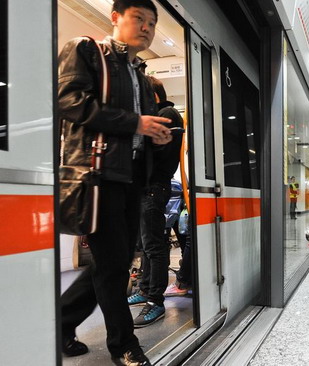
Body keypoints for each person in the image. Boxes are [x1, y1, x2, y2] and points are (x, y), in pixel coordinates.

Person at [58, 1, 171, 365]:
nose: (147, 27)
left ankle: (60, 323)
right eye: (139, 18)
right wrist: (137, 124)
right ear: (116, 18)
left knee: (113, 263)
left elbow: (138, 125)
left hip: (129, 179)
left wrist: (154, 135)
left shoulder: (137, 72)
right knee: (113, 267)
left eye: (152, 23)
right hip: (98, 176)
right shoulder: (87, 50)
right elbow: (71, 102)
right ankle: (124, 345)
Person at [127, 76, 184, 327]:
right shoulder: (158, 114)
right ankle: (145, 287)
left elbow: (153, 152)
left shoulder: (168, 113)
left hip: (154, 187)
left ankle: (155, 301)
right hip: (143, 188)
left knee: (155, 245)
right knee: (146, 244)